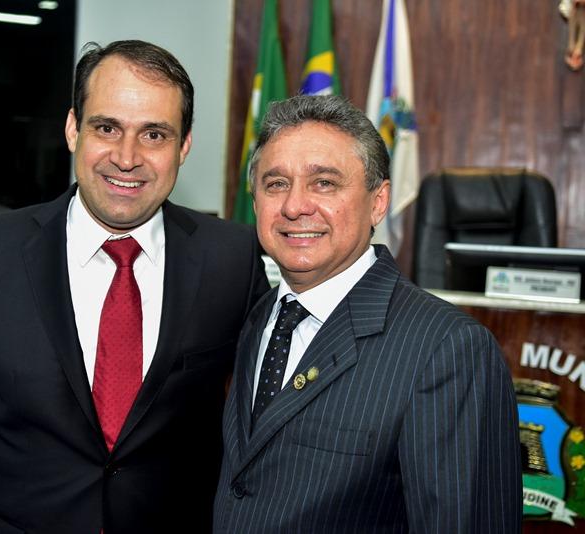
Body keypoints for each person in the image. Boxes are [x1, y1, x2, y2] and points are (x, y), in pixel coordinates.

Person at [0, 40, 270, 534]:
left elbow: (266, 422)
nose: (127, 157)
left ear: (184, 146)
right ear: (72, 129)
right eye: (106, 128)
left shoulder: (231, 258)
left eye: (154, 134)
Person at [213, 94, 522, 533]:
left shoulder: (448, 349)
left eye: (324, 183)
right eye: (276, 183)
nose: (294, 206)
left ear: (378, 202)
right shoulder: (258, 317)